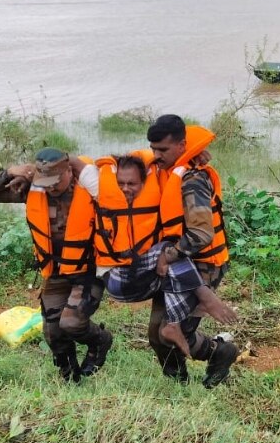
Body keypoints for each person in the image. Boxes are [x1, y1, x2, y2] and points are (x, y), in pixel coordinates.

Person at [70, 147, 237, 358]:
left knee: (159, 334)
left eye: (132, 184)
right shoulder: (101, 188)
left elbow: (171, 157)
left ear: (144, 181)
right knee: (167, 251)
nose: (125, 189)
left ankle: (179, 369)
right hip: (118, 281)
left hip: (147, 275)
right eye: (120, 183)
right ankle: (203, 296)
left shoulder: (157, 186)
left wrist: (193, 154)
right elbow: (72, 161)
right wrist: (31, 170)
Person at [0, 148, 113, 382]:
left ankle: (100, 340)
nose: (50, 187)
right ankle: (70, 376)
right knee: (52, 332)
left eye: (56, 181)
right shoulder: (33, 188)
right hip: (55, 272)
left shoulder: (92, 187)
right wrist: (11, 172)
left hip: (88, 271)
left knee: (71, 323)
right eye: (45, 181)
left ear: (69, 171)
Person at [146, 115, 239, 388]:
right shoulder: (165, 170)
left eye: (162, 150)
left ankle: (221, 353)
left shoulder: (193, 180)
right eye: (153, 149)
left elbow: (201, 234)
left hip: (202, 266)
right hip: (176, 263)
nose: (156, 155)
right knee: (156, 333)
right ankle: (177, 383)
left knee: (177, 330)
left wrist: (168, 255)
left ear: (182, 145)